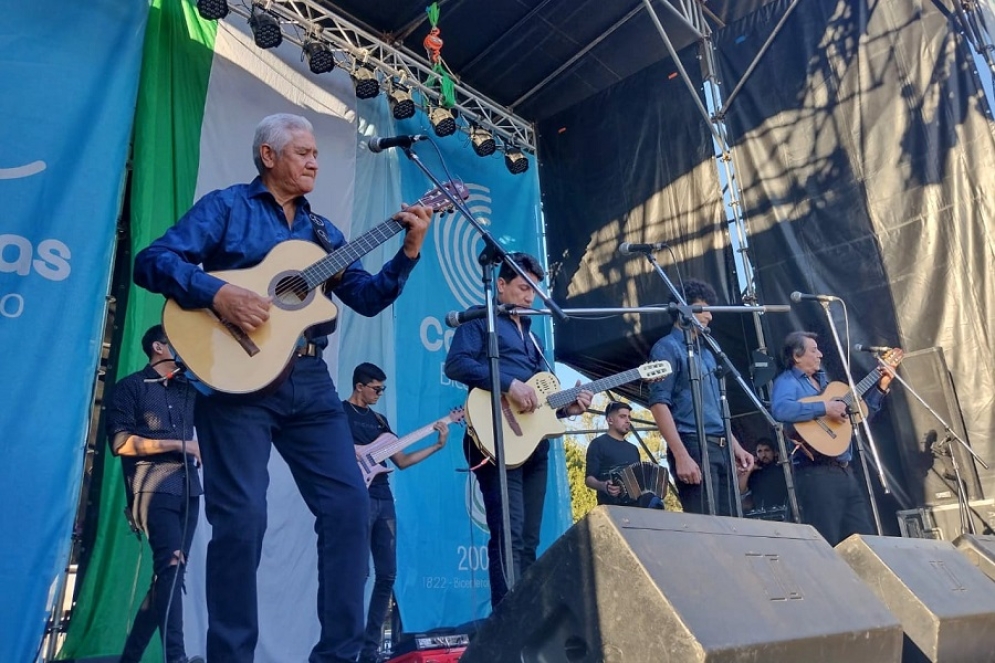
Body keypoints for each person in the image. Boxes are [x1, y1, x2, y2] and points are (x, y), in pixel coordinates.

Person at [133, 113, 433, 662]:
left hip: (310, 382)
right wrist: (218, 293)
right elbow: (151, 261)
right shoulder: (228, 206)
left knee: (348, 508)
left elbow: (365, 296)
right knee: (242, 521)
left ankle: (339, 656)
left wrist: (408, 251)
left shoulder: (323, 235)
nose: (315, 160)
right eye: (303, 152)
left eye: (318, 153)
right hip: (234, 384)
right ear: (268, 157)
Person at [444, 252, 593, 609]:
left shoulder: (535, 338)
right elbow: (456, 363)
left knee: (528, 538)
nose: (530, 298)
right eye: (523, 289)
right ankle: (505, 625)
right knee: (508, 534)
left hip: (533, 445)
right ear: (500, 285)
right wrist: (509, 383)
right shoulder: (481, 320)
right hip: (494, 436)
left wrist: (568, 407)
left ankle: (526, 618)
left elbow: (542, 400)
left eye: (535, 293)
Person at [104, 325, 204, 663]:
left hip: (189, 488)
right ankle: (176, 657)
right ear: (160, 347)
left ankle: (130, 657)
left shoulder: (189, 389)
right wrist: (181, 444)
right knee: (172, 567)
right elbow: (121, 443)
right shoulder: (130, 387)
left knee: (171, 574)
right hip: (152, 487)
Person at [343, 362, 449, 663]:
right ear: (360, 386)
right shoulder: (340, 412)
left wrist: (437, 445)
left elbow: (401, 459)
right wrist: (359, 455)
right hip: (356, 498)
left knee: (387, 574)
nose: (379, 393)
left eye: (383, 389)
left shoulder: (380, 420)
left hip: (382, 497)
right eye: (376, 388)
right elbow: (332, 447)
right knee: (357, 574)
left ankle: (369, 651)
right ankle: (346, 647)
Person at [771, 331, 893, 546]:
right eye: (813, 350)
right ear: (796, 356)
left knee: (863, 541)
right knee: (826, 541)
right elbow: (781, 410)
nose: (820, 355)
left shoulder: (826, 384)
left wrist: (880, 388)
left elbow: (860, 417)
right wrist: (825, 407)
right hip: (816, 472)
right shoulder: (788, 381)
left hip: (845, 471)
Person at [647, 278, 754, 516]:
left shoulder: (707, 353)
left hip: (721, 446)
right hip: (693, 444)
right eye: (703, 308)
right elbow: (658, 403)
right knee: (707, 525)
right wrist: (681, 455)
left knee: (733, 523)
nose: (710, 316)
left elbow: (715, 408)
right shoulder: (666, 348)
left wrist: (737, 447)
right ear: (684, 309)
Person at [584, 402, 640, 506]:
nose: (628, 421)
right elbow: (589, 479)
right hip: (610, 508)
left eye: (629, 417)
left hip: (635, 509)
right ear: (610, 420)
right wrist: (604, 486)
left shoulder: (634, 449)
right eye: (623, 416)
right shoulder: (598, 444)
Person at [739, 438, 788, 512]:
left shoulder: (783, 470)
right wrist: (750, 469)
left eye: (767, 450)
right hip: (761, 513)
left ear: (774, 452)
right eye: (760, 451)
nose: (763, 455)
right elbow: (741, 490)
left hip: (783, 511)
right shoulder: (755, 473)